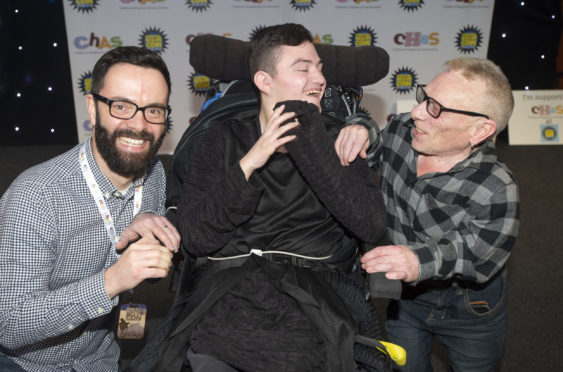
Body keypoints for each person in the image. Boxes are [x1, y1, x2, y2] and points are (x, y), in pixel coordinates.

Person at [136, 23, 389, 372]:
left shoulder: (339, 139)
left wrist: (312, 138)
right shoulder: (219, 139)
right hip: (227, 287)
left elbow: (371, 226)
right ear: (264, 81)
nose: (319, 78)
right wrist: (252, 160)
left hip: (315, 292)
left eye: (320, 67)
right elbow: (195, 237)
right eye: (303, 68)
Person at [0, 46, 180, 371]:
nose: (139, 126)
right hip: (25, 364)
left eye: (154, 110)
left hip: (100, 359)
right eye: (122, 106)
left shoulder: (154, 176)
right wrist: (112, 281)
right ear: (93, 109)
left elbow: (145, 277)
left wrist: (153, 244)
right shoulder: (37, 196)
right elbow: (9, 325)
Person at [356, 58, 520, 371]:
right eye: (424, 97)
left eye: (436, 108)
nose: (416, 112)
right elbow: (371, 145)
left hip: (470, 309)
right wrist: (360, 128)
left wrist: (417, 260)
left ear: (481, 129)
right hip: (404, 301)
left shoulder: (497, 187)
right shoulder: (404, 130)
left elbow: (479, 255)